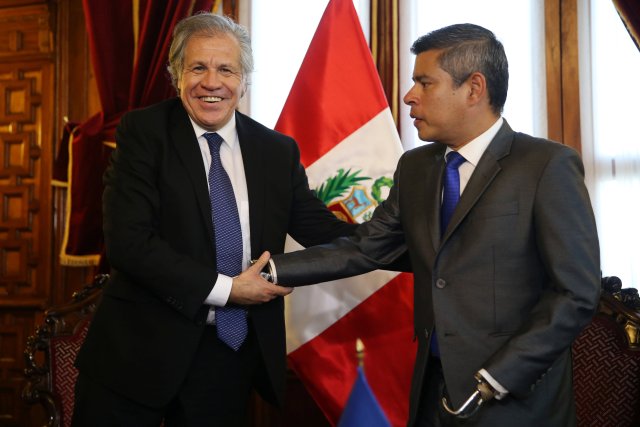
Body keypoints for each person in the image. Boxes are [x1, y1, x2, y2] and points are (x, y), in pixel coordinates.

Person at [251, 23, 601, 426]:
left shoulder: (545, 166)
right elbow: (368, 246)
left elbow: (576, 292)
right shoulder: (416, 166)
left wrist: (498, 377)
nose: (409, 96)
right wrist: (272, 269)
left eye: (424, 82)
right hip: (431, 394)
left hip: (515, 398)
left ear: (473, 88)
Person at [71, 13, 356, 427]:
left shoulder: (276, 150)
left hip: (227, 357)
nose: (212, 82)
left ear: (245, 79)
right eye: (198, 67)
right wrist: (229, 289)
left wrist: (415, 236)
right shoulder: (143, 133)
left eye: (226, 69)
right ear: (176, 74)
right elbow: (129, 244)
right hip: (137, 358)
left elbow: (322, 229)